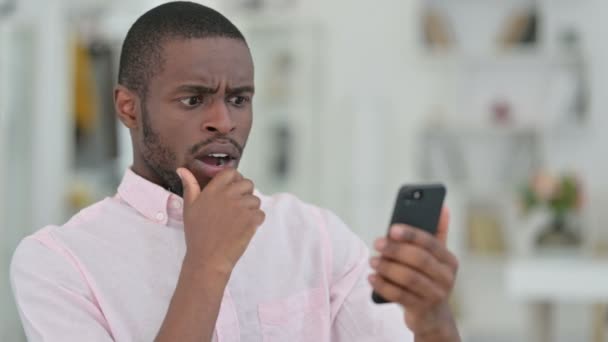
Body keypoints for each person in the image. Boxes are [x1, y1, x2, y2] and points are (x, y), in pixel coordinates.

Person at [10, 2, 460, 341]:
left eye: (239, 99)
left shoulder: (315, 236)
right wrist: (206, 265)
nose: (224, 122)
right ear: (129, 108)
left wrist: (433, 318)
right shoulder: (57, 263)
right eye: (193, 99)